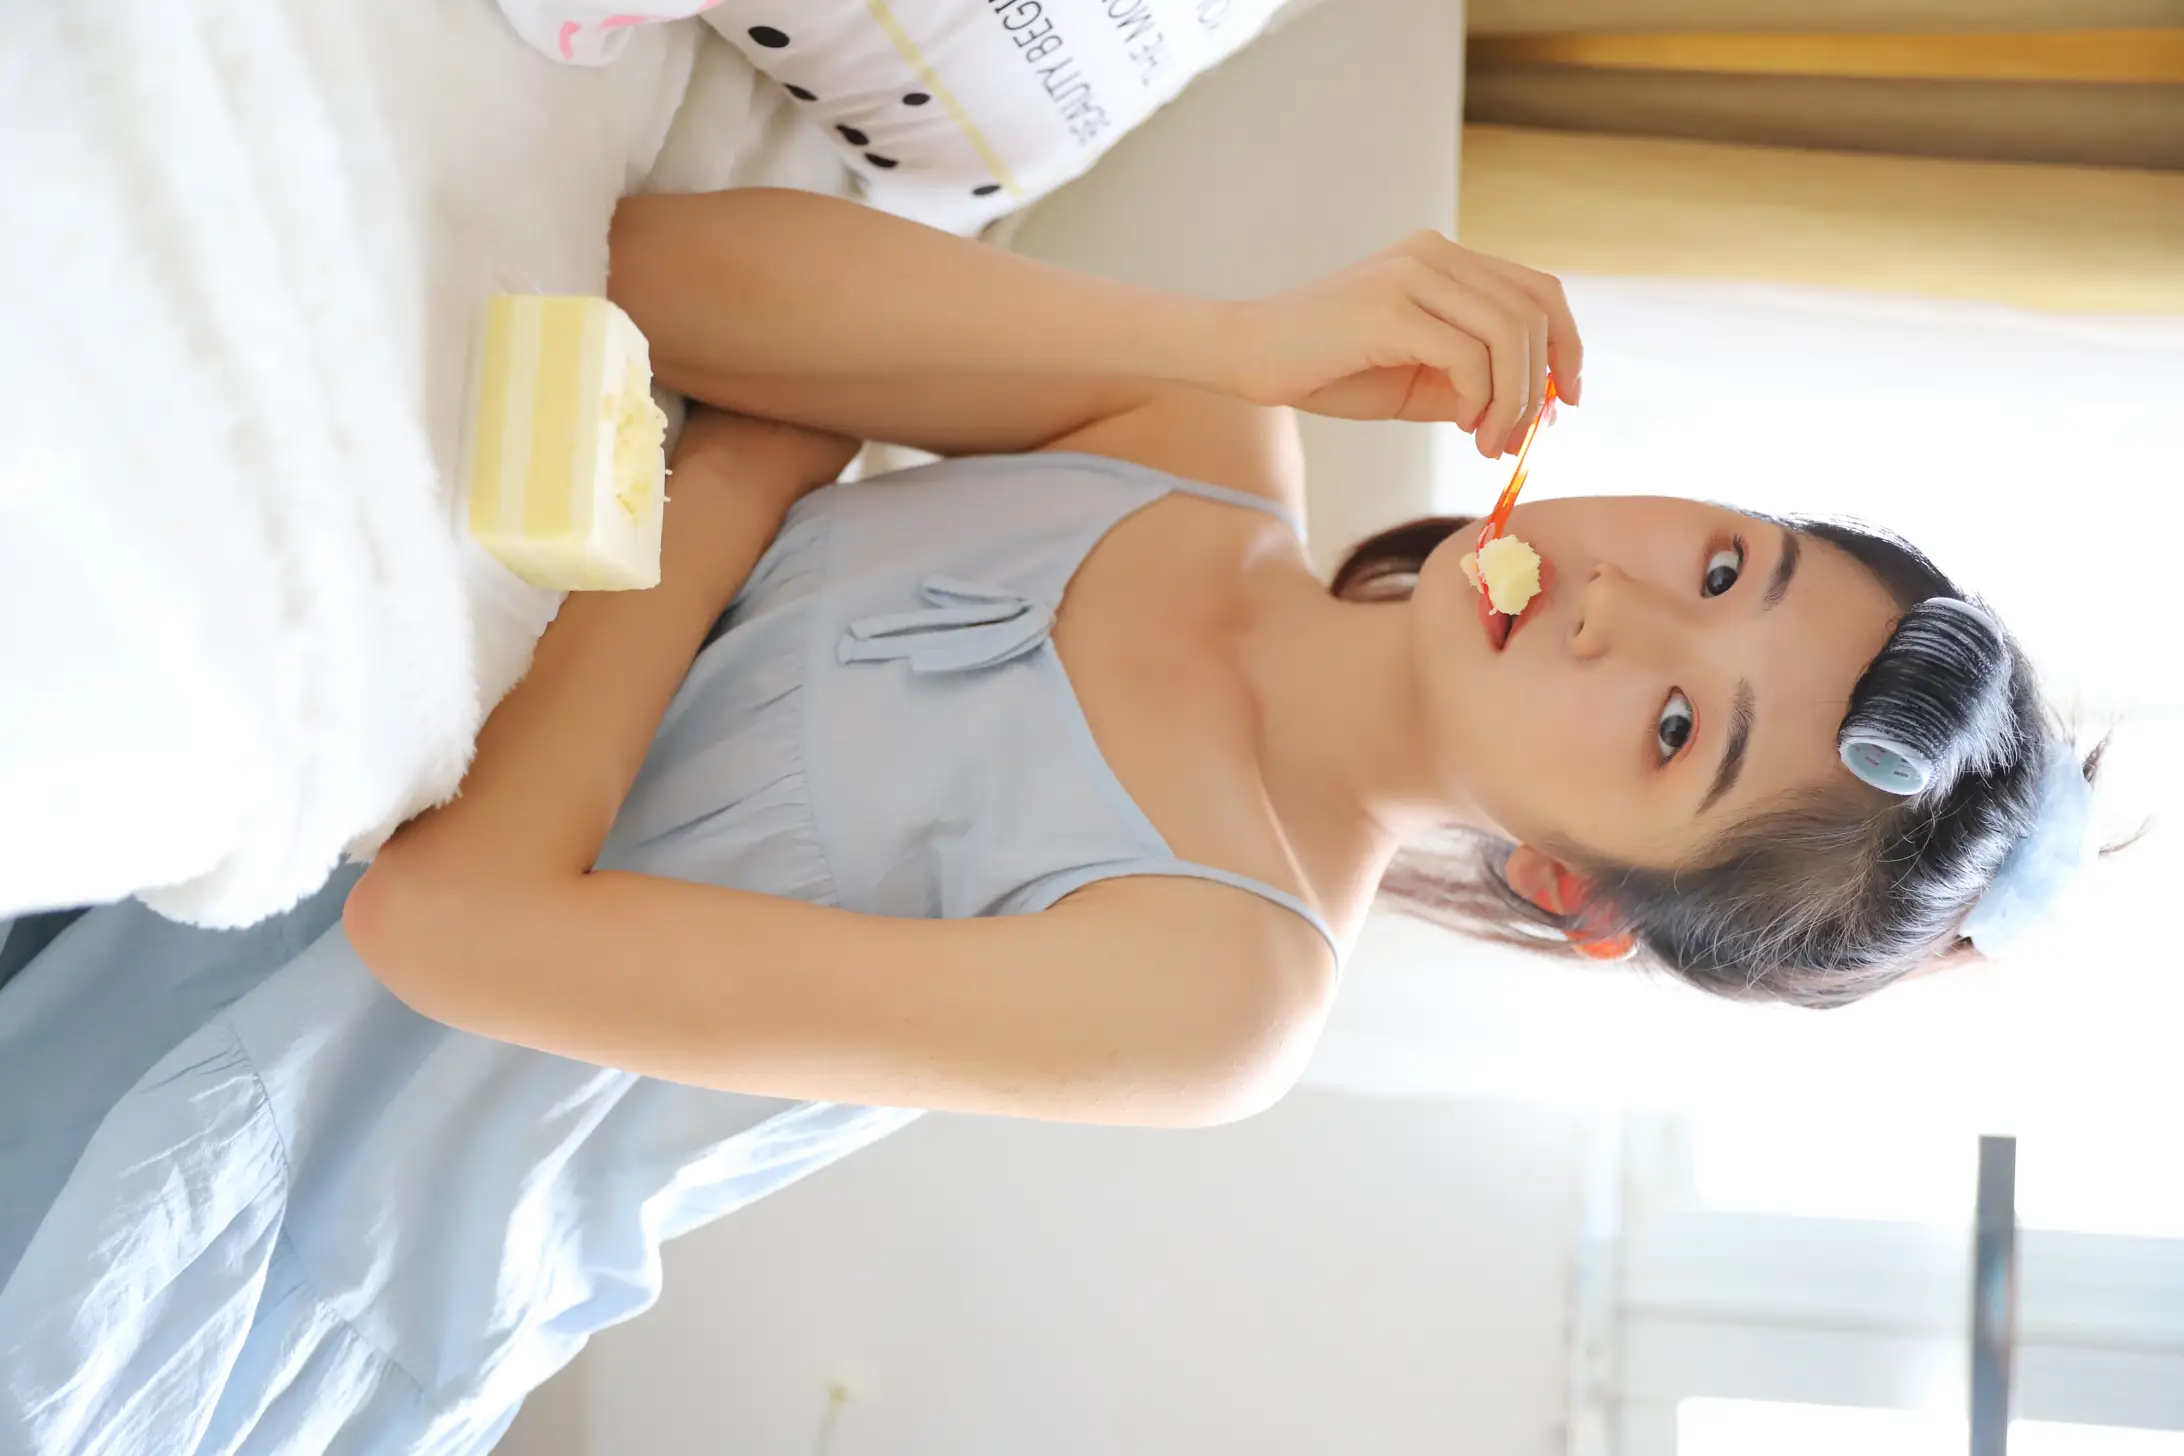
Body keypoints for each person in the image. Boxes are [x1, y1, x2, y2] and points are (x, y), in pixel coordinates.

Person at [0, 189, 2096, 1453]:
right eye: (1725, 564)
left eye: (1672, 728)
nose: (1622, 607)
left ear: (1569, 883)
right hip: (251, 791)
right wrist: (1236, 336)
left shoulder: (1217, 983)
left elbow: (451, 935)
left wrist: (726, 482)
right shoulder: (1196, 421)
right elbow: (652, 273)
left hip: (262, 1164)